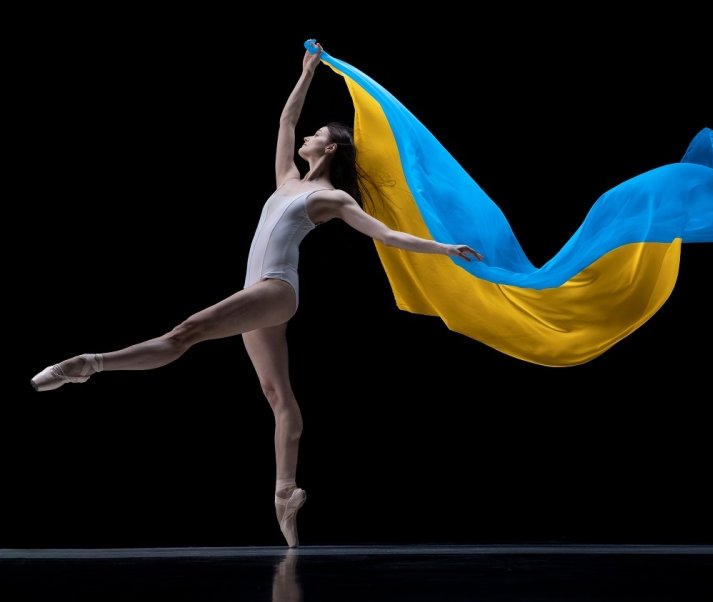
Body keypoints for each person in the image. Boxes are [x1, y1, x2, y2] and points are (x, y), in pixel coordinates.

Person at [29, 41, 483, 547]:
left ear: (330, 149)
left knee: (185, 333)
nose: (307, 136)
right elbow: (286, 122)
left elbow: (385, 234)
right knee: (278, 397)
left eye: (318, 134)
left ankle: (86, 365)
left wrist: (442, 247)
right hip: (259, 292)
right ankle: (286, 493)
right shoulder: (287, 177)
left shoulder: (329, 197)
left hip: (276, 289)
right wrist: (308, 72)